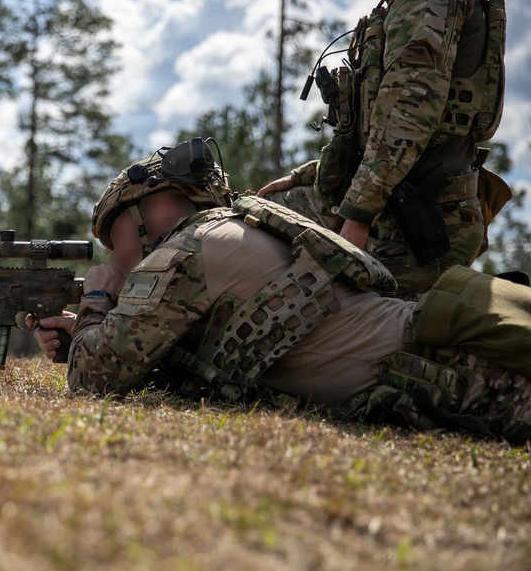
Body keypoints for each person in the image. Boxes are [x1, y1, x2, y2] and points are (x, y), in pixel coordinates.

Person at [34, 138, 531, 442]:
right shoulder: (233, 229)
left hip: (464, 373)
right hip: (442, 364)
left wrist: (97, 299)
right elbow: (186, 364)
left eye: (117, 234)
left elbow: (95, 380)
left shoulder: (189, 247)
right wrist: (90, 333)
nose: (118, 258)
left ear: (159, 205)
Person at [258, 0, 508, 300]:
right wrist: (308, 175)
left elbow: (407, 118)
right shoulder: (404, 2)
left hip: (423, 225)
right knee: (275, 210)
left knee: (330, 309)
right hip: (395, 204)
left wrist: (358, 214)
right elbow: (380, 130)